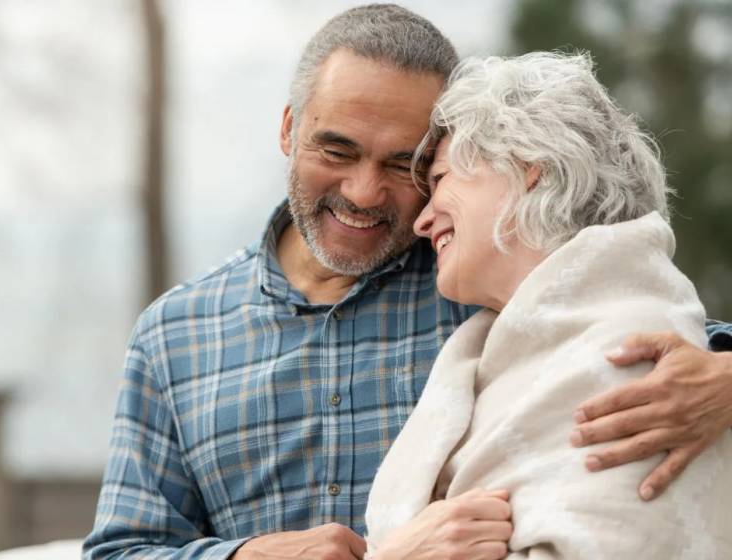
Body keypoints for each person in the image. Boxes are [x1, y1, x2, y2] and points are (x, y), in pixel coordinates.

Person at [83, 5, 732, 559]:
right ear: (288, 129)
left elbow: (637, 334)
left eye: (404, 163)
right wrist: (246, 555)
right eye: (337, 151)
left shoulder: (478, 283)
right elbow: (122, 547)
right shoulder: (175, 335)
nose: (363, 193)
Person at [365, 51, 732, 559]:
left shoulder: (632, 349)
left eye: (442, 180)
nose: (422, 221)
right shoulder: (518, 353)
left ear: (525, 167)